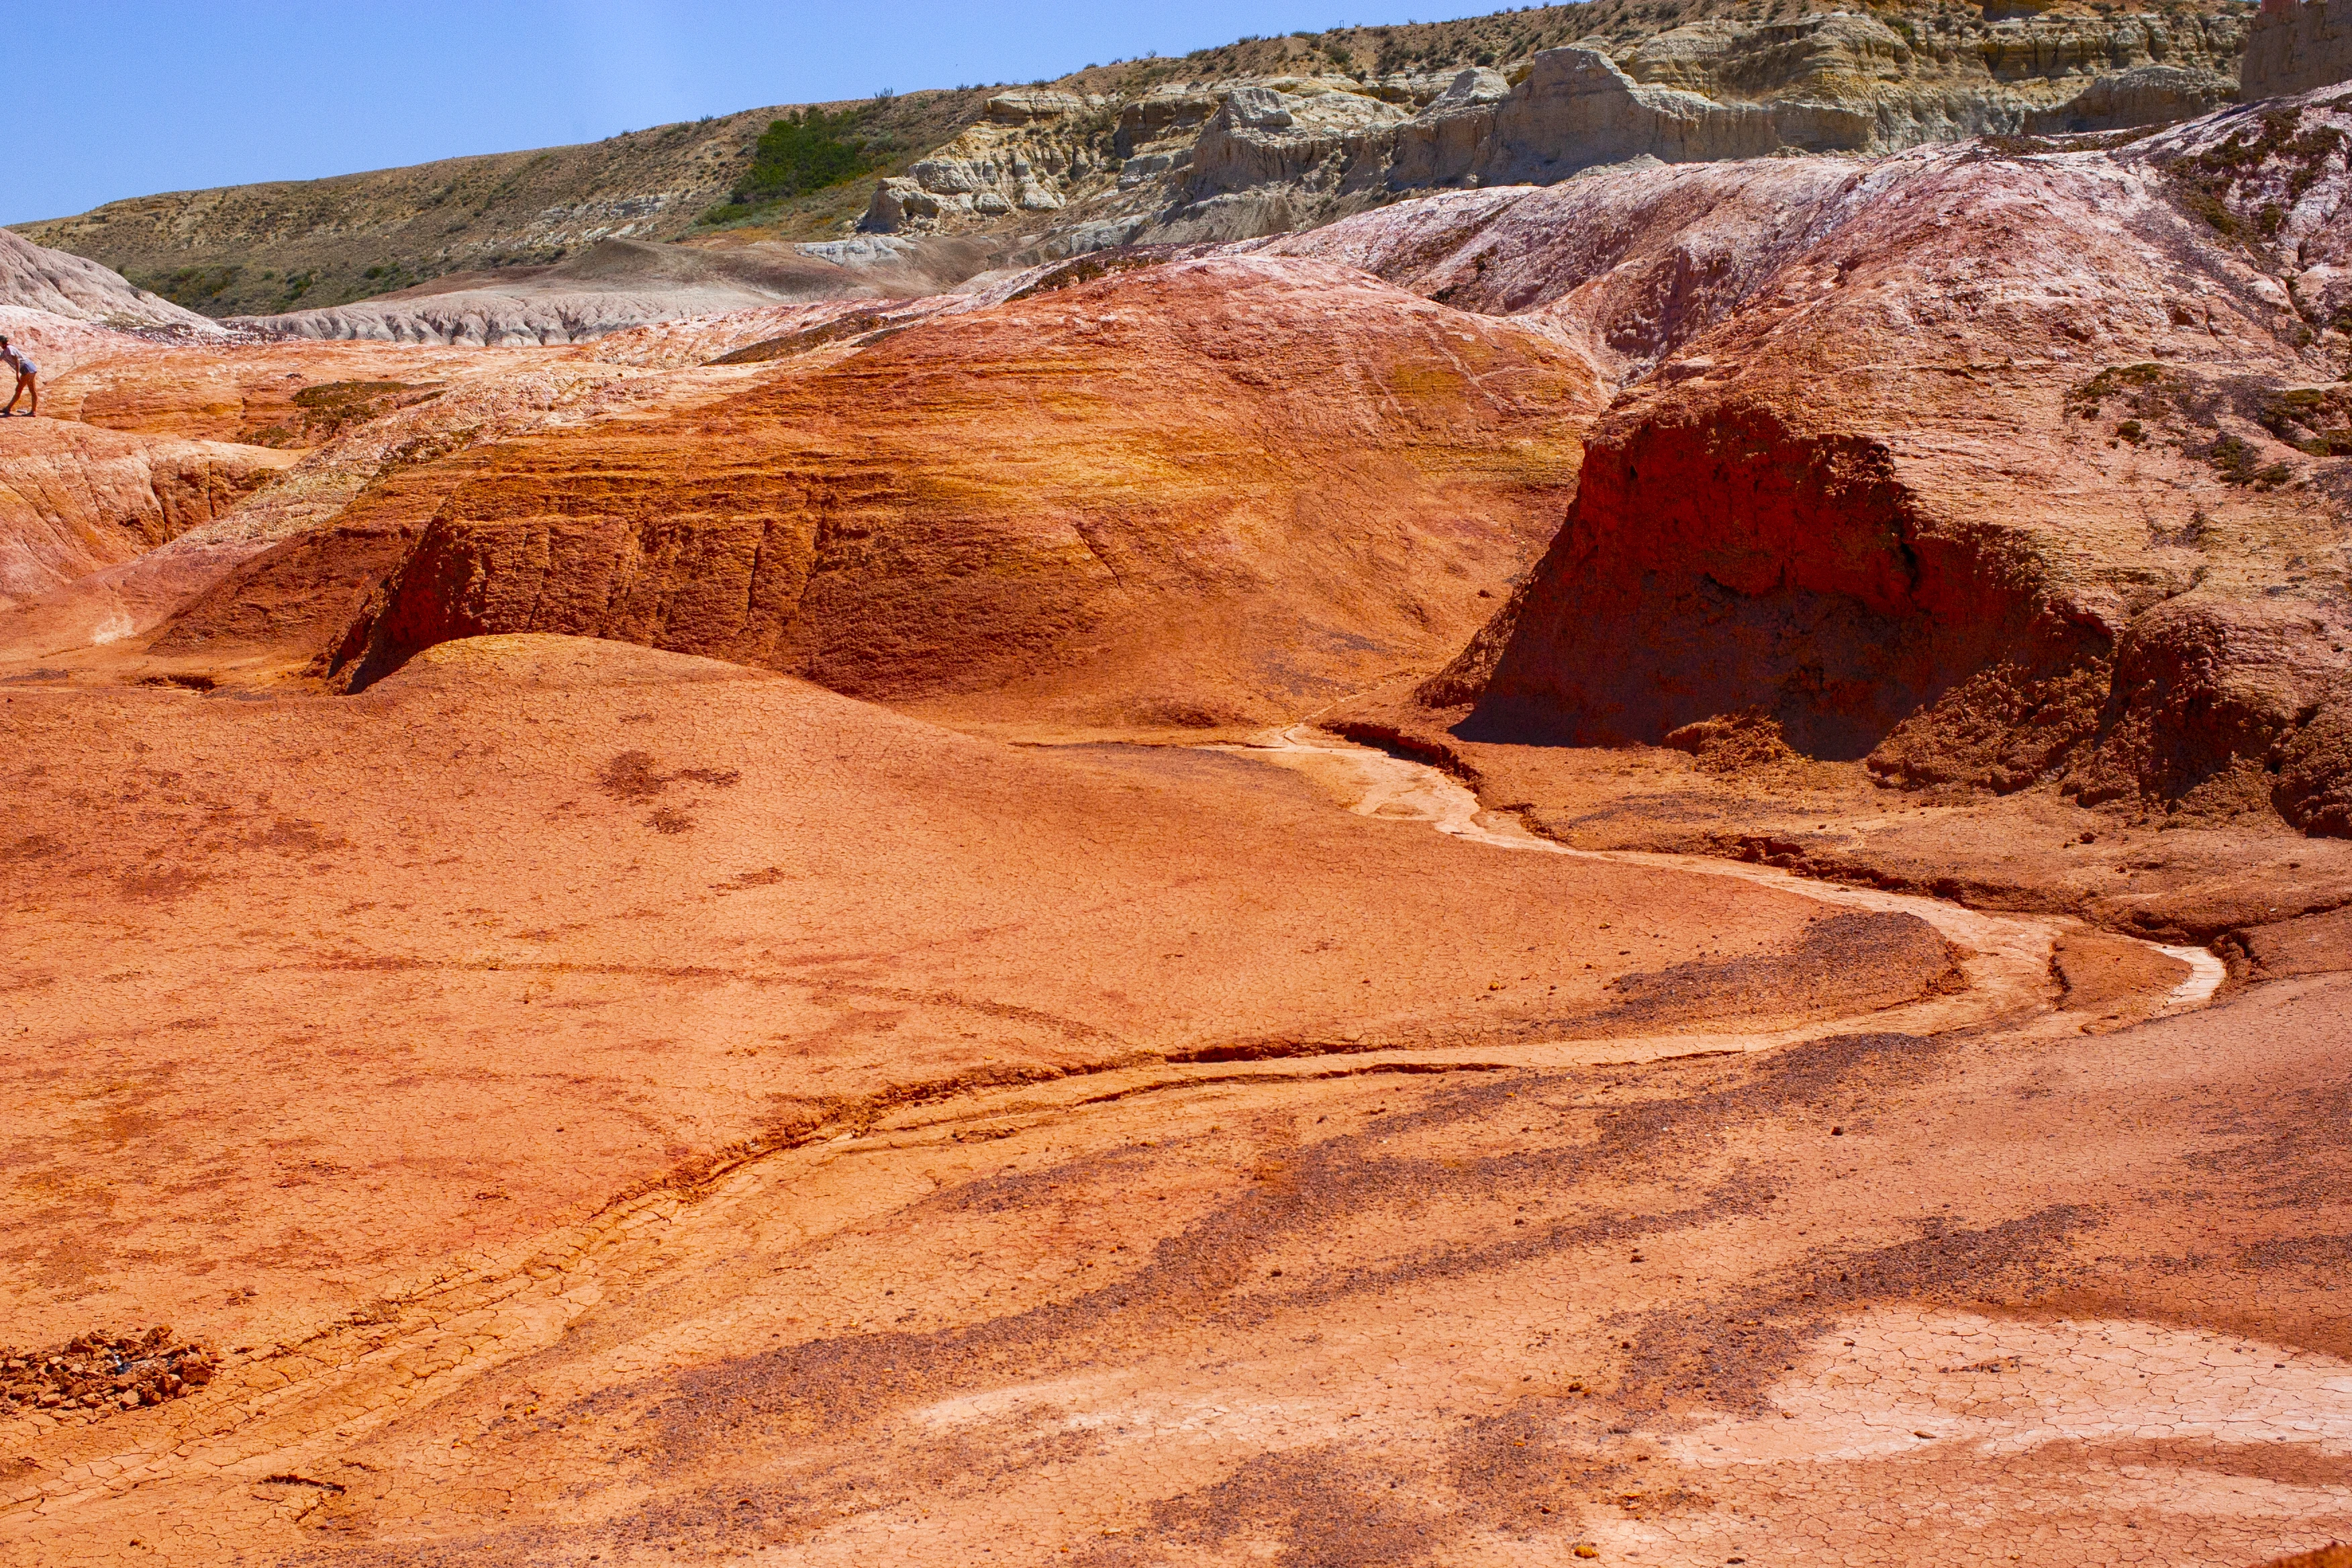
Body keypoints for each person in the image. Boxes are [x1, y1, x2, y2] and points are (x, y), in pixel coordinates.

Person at [1, 337, 35, 418]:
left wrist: (17, 375)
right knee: (33, 391)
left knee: (19, 389)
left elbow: (17, 361)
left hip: (26, 369)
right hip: (31, 368)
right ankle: (33, 412)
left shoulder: (9, 349)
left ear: (2, 342)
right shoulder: (6, 350)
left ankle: (8, 408)